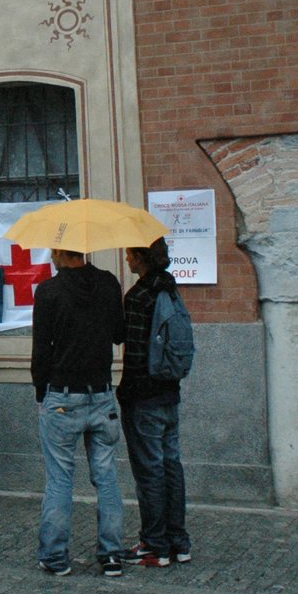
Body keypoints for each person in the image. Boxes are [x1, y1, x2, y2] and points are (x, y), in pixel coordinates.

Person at [31, 248, 126, 576]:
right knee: (107, 476)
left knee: (59, 478)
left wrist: (40, 391)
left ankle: (55, 557)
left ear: (59, 252)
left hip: (62, 396)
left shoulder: (48, 291)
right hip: (101, 394)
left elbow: (41, 349)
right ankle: (112, 554)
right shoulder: (109, 283)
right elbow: (120, 334)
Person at [118, 237, 192, 567]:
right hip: (169, 393)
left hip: (144, 397)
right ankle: (179, 541)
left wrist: (126, 394)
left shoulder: (139, 296)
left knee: (149, 471)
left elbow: (134, 354)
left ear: (141, 258)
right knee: (171, 466)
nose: (127, 257)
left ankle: (154, 545)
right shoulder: (171, 290)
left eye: (131, 252)